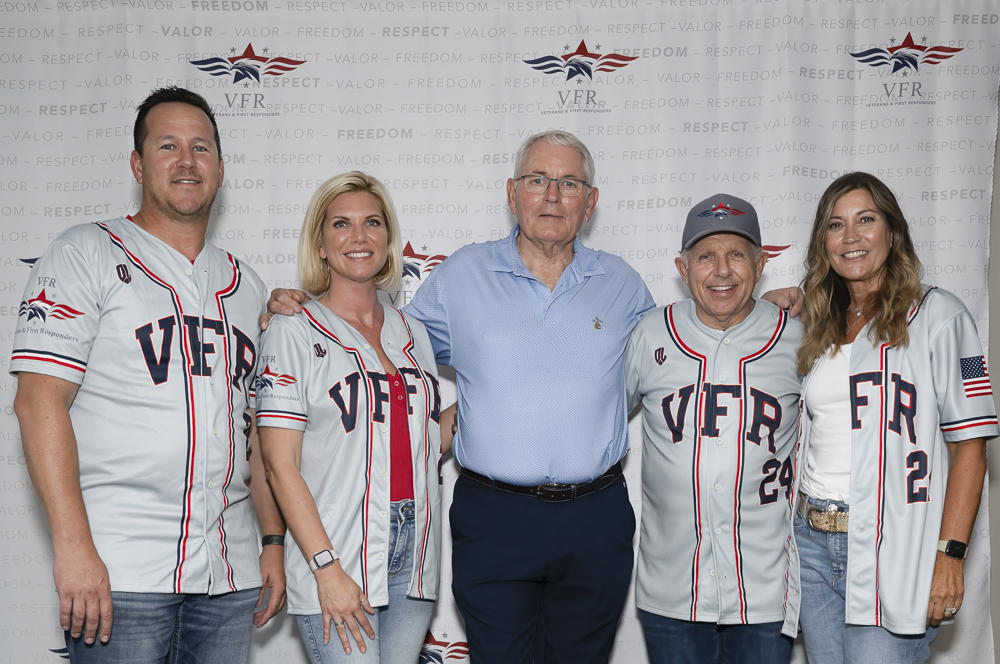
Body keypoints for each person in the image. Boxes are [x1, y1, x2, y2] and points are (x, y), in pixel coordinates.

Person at [263, 132, 801, 663]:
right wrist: (303, 307)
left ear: (590, 201)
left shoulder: (622, 284)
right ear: (512, 192)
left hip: (595, 519)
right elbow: (376, 344)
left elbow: (685, 347)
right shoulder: (461, 277)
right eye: (537, 179)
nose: (552, 195)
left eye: (569, 183)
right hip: (493, 517)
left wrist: (760, 311)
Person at [11, 87, 286, 662]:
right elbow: (38, 404)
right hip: (121, 570)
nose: (187, 161)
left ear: (220, 169)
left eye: (201, 148)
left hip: (229, 573)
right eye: (168, 146)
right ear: (138, 165)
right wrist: (73, 546)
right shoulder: (84, 252)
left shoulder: (248, 284)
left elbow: (256, 433)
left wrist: (271, 540)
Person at [781, 172, 997, 663]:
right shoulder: (814, 322)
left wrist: (950, 557)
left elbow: (970, 446)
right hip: (811, 543)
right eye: (836, 225)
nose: (850, 237)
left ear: (892, 231)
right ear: (823, 242)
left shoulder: (941, 316)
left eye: (866, 220)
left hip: (894, 548)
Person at [255, 172, 443, 663]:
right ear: (320, 245)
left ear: (388, 238)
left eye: (372, 223)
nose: (359, 236)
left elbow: (422, 438)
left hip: (413, 550)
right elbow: (278, 465)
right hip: (338, 549)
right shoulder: (292, 330)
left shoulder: (414, 332)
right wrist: (325, 567)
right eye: (341, 224)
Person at [625, 194, 801, 664]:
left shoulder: (799, 337)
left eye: (737, 254)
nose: (722, 270)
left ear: (761, 265)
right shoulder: (649, 334)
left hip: (768, 587)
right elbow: (595, 425)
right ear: (682, 269)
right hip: (672, 588)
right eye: (705, 256)